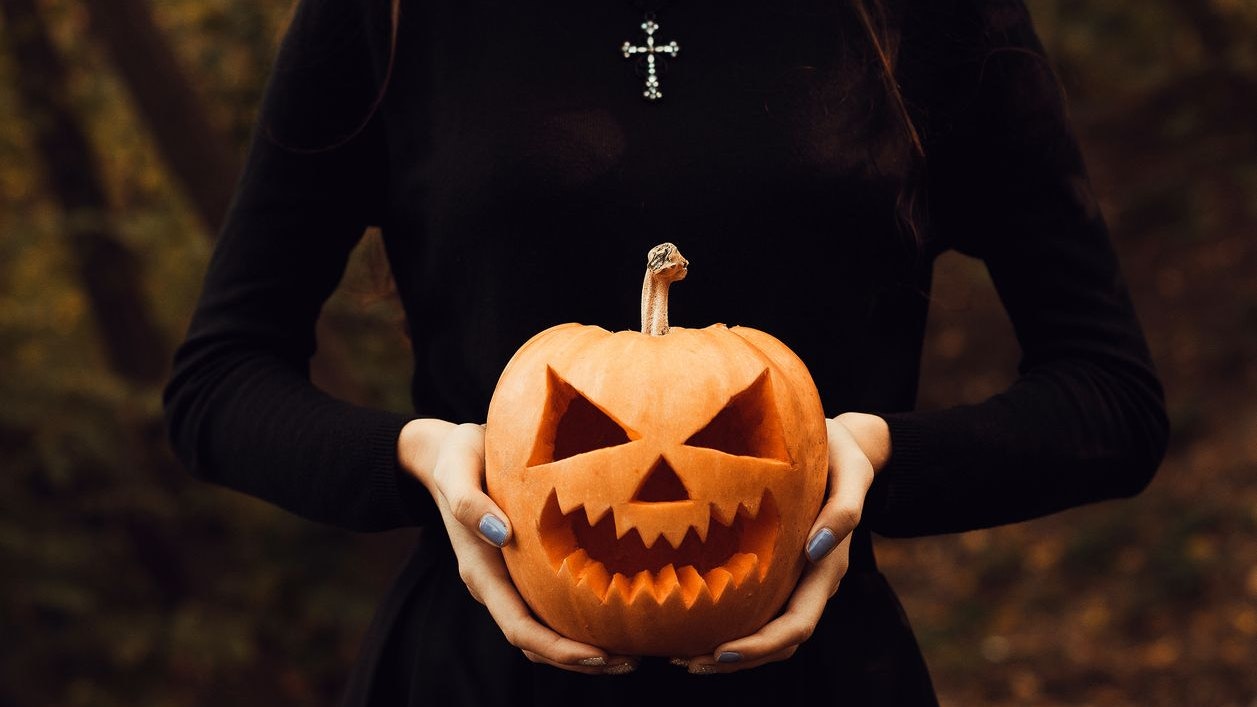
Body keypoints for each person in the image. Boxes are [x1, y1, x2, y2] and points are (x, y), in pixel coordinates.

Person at [162, 0, 1170, 704]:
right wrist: (422, 458)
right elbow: (220, 381)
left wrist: (868, 452)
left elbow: (1109, 398)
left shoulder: (920, 13)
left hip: (821, 679)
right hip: (474, 677)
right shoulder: (391, 11)